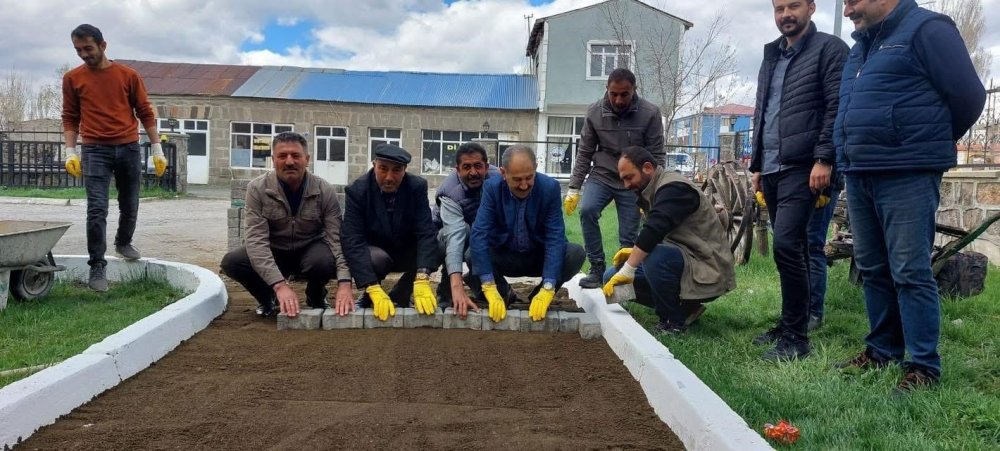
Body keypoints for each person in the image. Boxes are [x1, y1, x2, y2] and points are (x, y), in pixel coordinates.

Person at [834, 0, 986, 392]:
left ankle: (923, 366)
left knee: (909, 270)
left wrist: (923, 141)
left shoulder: (927, 30)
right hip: (860, 170)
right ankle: (883, 349)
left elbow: (969, 97)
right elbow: (847, 110)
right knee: (872, 267)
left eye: (852, 0)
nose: (847, 9)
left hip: (907, 173)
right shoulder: (860, 47)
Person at [748, 0, 849, 360]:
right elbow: (764, 110)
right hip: (774, 167)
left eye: (793, 5)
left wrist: (824, 159)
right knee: (792, 249)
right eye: (779, 8)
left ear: (811, 7)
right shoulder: (771, 55)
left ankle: (796, 337)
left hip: (805, 167)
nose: (785, 14)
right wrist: (757, 163)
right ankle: (790, 322)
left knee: (789, 246)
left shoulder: (830, 50)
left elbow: (837, 106)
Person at [62, 24, 167, 292]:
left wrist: (157, 148)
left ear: (103, 45)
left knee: (130, 202)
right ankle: (97, 266)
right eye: (78, 50)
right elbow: (70, 117)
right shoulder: (73, 79)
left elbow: (145, 111)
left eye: (88, 48)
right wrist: (70, 150)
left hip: (129, 147)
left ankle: (123, 242)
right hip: (95, 149)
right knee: (97, 208)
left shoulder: (128, 75)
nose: (84, 54)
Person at [602, 147, 736, 334]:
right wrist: (632, 256)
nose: (625, 185)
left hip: (706, 266)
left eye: (629, 177)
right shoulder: (653, 188)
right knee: (611, 281)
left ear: (647, 168)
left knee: (653, 256)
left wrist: (630, 267)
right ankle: (684, 308)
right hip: (682, 259)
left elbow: (654, 230)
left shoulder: (674, 188)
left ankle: (673, 322)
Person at [220, 132, 353, 318]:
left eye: (296, 156)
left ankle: (315, 295)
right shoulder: (257, 189)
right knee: (233, 261)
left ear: (307, 159)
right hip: (275, 252)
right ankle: (268, 299)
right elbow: (255, 242)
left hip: (310, 250)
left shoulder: (324, 190)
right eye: (282, 156)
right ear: (273, 160)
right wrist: (280, 286)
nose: (289, 162)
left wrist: (345, 283)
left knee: (323, 261)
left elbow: (337, 238)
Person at [563, 68, 664, 289]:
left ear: (633, 91)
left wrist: (651, 192)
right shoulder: (594, 112)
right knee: (587, 210)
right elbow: (585, 151)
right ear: (607, 90)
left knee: (629, 236)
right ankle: (597, 269)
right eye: (613, 94)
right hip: (603, 174)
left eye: (624, 94)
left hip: (633, 182)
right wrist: (574, 187)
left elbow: (656, 155)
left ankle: (620, 282)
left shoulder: (650, 113)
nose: (618, 99)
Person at [468, 145, 585, 323]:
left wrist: (549, 286)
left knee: (574, 254)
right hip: (504, 255)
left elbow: (555, 236)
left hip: (538, 257)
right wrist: (488, 285)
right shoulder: (492, 188)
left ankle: (538, 297)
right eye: (516, 179)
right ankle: (502, 292)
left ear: (536, 168)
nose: (524, 185)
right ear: (503, 173)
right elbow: (479, 233)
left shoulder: (550, 188)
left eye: (529, 178)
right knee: (471, 254)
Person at [341, 144, 443, 321]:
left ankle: (402, 292)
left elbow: (426, 231)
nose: (389, 177)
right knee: (376, 258)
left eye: (396, 170)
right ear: (374, 165)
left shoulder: (416, 186)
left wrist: (422, 276)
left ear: (405, 170)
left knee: (439, 246)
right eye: (383, 169)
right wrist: (370, 284)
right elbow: (352, 239)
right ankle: (370, 293)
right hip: (375, 253)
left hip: (405, 250)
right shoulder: (357, 191)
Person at [433, 142, 502, 318]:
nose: (473, 173)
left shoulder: (500, 179)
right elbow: (455, 236)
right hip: (448, 233)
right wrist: (457, 286)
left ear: (487, 166)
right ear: (457, 169)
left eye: (478, 166)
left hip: (484, 231)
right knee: (461, 232)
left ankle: (485, 285)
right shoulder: (449, 191)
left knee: (480, 247)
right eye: (466, 167)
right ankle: (446, 290)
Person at [806, 177, 842, 331]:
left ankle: (814, 313)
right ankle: (796, 310)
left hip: (823, 181)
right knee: (793, 248)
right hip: (797, 179)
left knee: (812, 245)